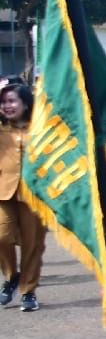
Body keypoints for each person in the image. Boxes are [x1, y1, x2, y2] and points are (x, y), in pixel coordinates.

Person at [0, 81, 46, 312]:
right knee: (1, 236)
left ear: (26, 104)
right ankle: (11, 276)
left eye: (12, 101)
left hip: (34, 194)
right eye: (3, 101)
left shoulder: (40, 129)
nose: (7, 106)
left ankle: (28, 291)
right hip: (3, 191)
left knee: (32, 244)